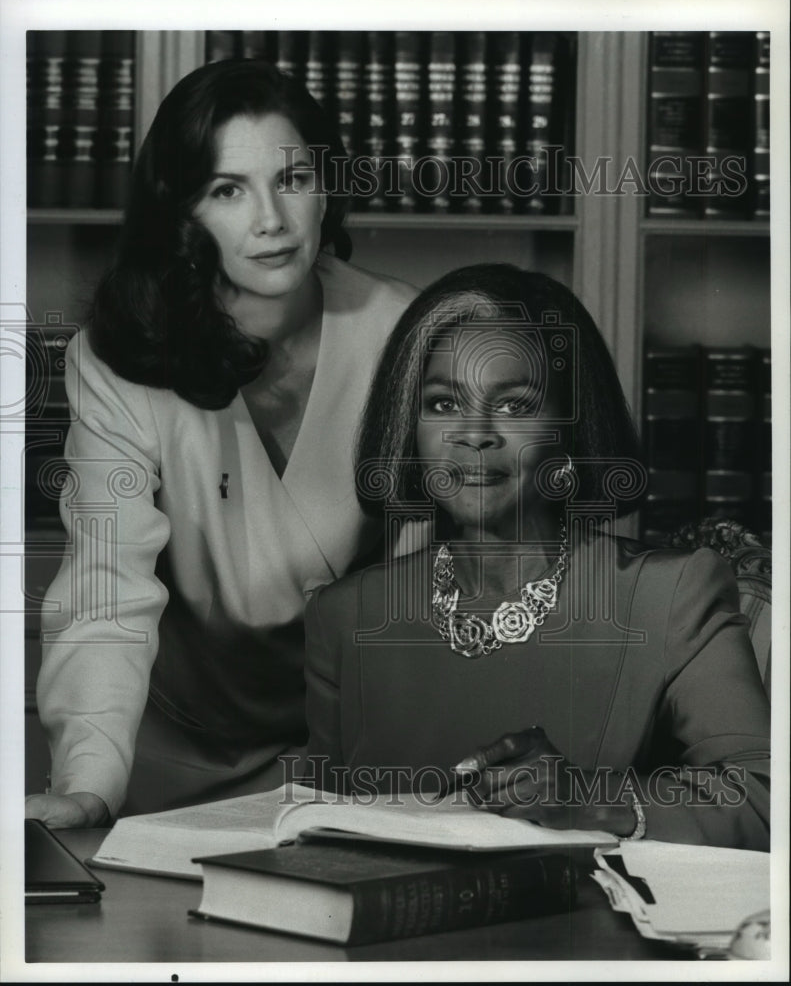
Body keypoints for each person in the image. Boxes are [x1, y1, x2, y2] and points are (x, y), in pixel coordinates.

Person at [25, 59, 416, 828]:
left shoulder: (403, 330)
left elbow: (428, 598)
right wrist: (88, 784)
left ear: (327, 186)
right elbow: (107, 595)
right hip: (167, 760)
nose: (271, 219)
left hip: (352, 757)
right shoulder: (118, 358)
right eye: (226, 190)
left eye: (292, 178)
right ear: (184, 212)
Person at [301, 264, 770, 850]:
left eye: (516, 406)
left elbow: (762, 797)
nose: (474, 434)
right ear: (408, 429)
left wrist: (589, 800)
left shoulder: (669, 597)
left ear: (571, 432)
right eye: (443, 405)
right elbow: (316, 826)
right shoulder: (344, 617)